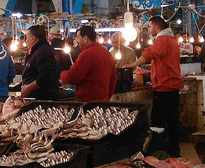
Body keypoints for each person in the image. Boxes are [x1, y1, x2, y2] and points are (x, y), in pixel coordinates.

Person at [123, 16, 183, 157]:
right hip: (172, 87)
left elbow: (149, 54)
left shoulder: (162, 41)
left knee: (158, 124)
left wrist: (133, 65)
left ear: (157, 27)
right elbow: (164, 63)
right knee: (173, 122)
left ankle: (157, 153)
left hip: (164, 88)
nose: (149, 30)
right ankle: (174, 152)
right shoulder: (172, 40)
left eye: (149, 27)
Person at [61, 25, 116, 102]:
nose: (76, 40)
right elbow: (114, 79)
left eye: (78, 37)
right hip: (104, 101)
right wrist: (106, 96)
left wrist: (62, 75)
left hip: (88, 103)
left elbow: (73, 76)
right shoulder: (107, 53)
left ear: (85, 38)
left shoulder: (87, 54)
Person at [20, 25, 60, 100]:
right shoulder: (38, 50)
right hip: (35, 97)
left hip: (42, 99)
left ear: (33, 38)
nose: (26, 40)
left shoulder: (43, 52)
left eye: (27, 37)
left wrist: (28, 88)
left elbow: (46, 76)